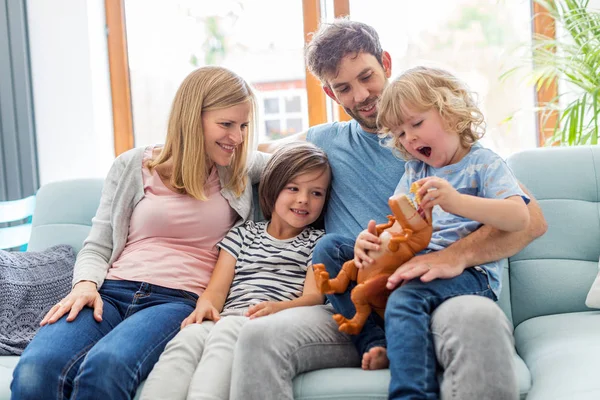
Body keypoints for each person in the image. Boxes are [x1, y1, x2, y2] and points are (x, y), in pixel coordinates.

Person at [231, 18, 547, 400]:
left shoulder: (444, 142)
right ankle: (374, 344)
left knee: (477, 320)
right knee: (258, 337)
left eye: (367, 76)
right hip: (359, 303)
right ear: (332, 95)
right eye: (344, 87)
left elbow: (531, 221)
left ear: (386, 63)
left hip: (437, 289)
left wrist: (451, 257)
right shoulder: (323, 142)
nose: (362, 94)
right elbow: (256, 158)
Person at [10, 66, 268, 400]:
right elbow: (98, 243)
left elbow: (299, 156)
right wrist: (86, 284)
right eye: (226, 124)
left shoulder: (240, 169)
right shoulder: (132, 165)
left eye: (244, 125)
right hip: (110, 292)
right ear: (192, 118)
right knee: (36, 369)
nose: (238, 137)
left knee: (107, 366)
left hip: (178, 300)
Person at [342, 65, 530, 398]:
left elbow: (519, 217)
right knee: (332, 249)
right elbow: (399, 225)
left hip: (472, 274)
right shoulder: (415, 170)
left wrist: (457, 202)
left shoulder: (483, 163)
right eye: (400, 133)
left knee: (405, 299)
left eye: (416, 123)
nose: (410, 138)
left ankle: (411, 393)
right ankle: (379, 340)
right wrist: (370, 240)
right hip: (419, 260)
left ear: (451, 113)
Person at [139, 142, 330, 400]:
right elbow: (217, 289)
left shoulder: (318, 242)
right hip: (227, 316)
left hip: (265, 322)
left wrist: (277, 308)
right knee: (186, 340)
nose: (303, 199)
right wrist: (205, 307)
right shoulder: (243, 233)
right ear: (272, 188)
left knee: (226, 336)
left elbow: (314, 298)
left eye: (316, 193)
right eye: (293, 188)